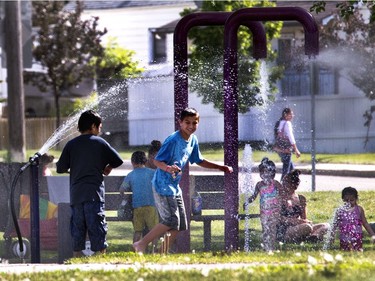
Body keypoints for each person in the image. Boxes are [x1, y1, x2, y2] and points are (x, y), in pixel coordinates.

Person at [133, 107, 233, 253]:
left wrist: (220, 167)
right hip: (162, 185)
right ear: (180, 122)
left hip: (174, 187)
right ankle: (141, 243)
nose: (191, 126)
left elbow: (198, 160)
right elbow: (157, 161)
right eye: (187, 122)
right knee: (170, 220)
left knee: (180, 225)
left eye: (194, 123)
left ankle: (161, 253)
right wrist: (168, 168)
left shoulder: (193, 140)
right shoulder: (173, 140)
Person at [56, 110, 124, 257]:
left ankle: (76, 258)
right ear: (93, 126)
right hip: (94, 194)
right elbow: (118, 160)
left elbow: (60, 168)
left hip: (76, 195)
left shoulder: (71, 144)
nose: (100, 130)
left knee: (78, 228)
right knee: (97, 227)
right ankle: (100, 257)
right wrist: (108, 168)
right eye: (100, 127)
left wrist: (75, 169)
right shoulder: (99, 143)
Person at [119, 151, 159, 252]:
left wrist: (125, 197)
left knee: (137, 231)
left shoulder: (130, 175)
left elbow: (122, 190)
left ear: (132, 162)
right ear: (145, 161)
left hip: (137, 207)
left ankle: (135, 251)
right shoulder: (152, 173)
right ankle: (154, 251)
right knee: (154, 231)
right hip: (151, 206)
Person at [277, 170, 329, 243]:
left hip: (298, 228)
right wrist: (299, 222)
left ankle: (313, 237)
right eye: (283, 181)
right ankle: (308, 238)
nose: (282, 184)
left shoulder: (301, 199)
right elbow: (279, 218)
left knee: (326, 225)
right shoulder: (279, 198)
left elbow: (304, 218)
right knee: (307, 227)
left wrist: (306, 222)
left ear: (294, 184)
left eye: (285, 182)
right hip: (285, 231)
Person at [244, 157, 282, 252]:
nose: (266, 174)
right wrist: (247, 202)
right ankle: (266, 248)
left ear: (273, 173)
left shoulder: (276, 184)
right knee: (265, 230)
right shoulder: (259, 185)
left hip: (274, 212)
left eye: (268, 172)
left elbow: (283, 195)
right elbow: (254, 196)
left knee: (272, 230)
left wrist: (284, 205)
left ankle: (271, 247)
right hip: (264, 212)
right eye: (263, 172)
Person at [328, 186, 375, 251]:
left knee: (357, 253)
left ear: (356, 199)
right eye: (346, 200)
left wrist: (372, 235)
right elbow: (334, 225)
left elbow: (365, 223)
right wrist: (331, 236)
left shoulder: (359, 209)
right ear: (343, 200)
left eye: (352, 200)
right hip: (344, 239)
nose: (349, 202)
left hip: (357, 238)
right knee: (345, 253)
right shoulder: (340, 211)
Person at [273, 108, 301, 180]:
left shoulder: (279, 122)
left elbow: (276, 136)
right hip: (286, 149)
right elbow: (291, 137)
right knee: (286, 170)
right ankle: (282, 186)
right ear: (285, 115)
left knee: (291, 167)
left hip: (279, 149)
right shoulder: (287, 123)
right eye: (291, 114)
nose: (292, 116)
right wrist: (296, 149)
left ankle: (295, 180)